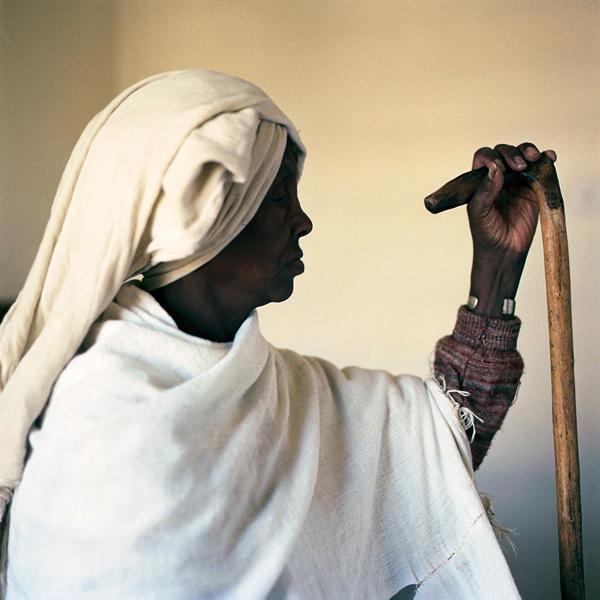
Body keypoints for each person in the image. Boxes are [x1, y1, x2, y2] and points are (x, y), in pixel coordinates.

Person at [0, 70, 556, 599]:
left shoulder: (274, 390)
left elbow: (442, 437)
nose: (303, 220)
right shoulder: (101, 425)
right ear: (200, 218)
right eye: (277, 196)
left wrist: (498, 265)